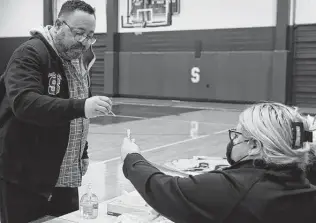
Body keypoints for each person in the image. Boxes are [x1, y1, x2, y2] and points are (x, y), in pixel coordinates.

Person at [0, 1, 113, 222]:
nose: (84, 42)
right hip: (24, 174)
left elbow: (75, 120)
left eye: (90, 36)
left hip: (65, 173)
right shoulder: (29, 54)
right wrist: (82, 106)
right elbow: (25, 103)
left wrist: (83, 151)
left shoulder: (79, 59)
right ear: (58, 24)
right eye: (79, 33)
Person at [121, 102, 316, 223]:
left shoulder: (233, 188)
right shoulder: (302, 182)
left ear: (256, 146)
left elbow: (165, 189)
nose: (234, 140)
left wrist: (132, 158)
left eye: (238, 135)